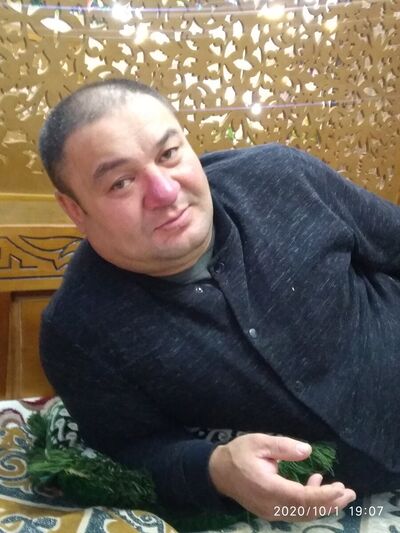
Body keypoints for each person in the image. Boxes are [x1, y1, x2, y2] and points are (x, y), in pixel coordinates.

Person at [38, 78, 400, 522]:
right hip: (345, 497)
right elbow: (133, 450)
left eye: (169, 154)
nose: (165, 192)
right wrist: (218, 471)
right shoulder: (77, 332)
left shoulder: (282, 177)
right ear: (75, 209)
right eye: (121, 182)